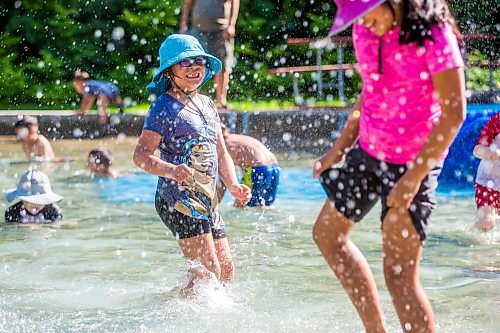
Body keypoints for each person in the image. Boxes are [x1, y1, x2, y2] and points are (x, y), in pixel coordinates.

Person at [312, 1, 466, 332]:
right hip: (368, 152)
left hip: (414, 162)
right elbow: (370, 90)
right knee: (327, 236)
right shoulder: (364, 29)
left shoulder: (434, 35)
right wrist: (339, 149)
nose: (364, 21)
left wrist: (412, 180)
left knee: (398, 277)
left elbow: (454, 114)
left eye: (368, 12)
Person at [133, 34, 251, 295]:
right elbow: (140, 155)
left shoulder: (208, 104)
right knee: (209, 274)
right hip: (179, 200)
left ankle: (174, 303)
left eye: (199, 61)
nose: (194, 67)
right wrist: (171, 170)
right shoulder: (163, 108)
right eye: (184, 63)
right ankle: (185, 317)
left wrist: (233, 185)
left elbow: (221, 153)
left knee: (226, 269)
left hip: (206, 200)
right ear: (169, 72)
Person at [179, 0, 240, 110]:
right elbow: (187, 3)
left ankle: (222, 101)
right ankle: (192, 100)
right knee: (194, 66)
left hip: (221, 30)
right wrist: (183, 25)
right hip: (198, 30)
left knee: (223, 65)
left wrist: (231, 25)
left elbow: (235, 2)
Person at [217, 123, 280, 207]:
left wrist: (216, 204)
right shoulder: (238, 138)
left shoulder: (226, 144)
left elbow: (224, 174)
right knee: (264, 206)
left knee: (241, 203)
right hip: (274, 167)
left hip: (257, 169)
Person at [473, 112, 499, 232]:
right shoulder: (496, 120)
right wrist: (490, 153)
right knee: (487, 223)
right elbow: (477, 150)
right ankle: (469, 236)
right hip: (487, 181)